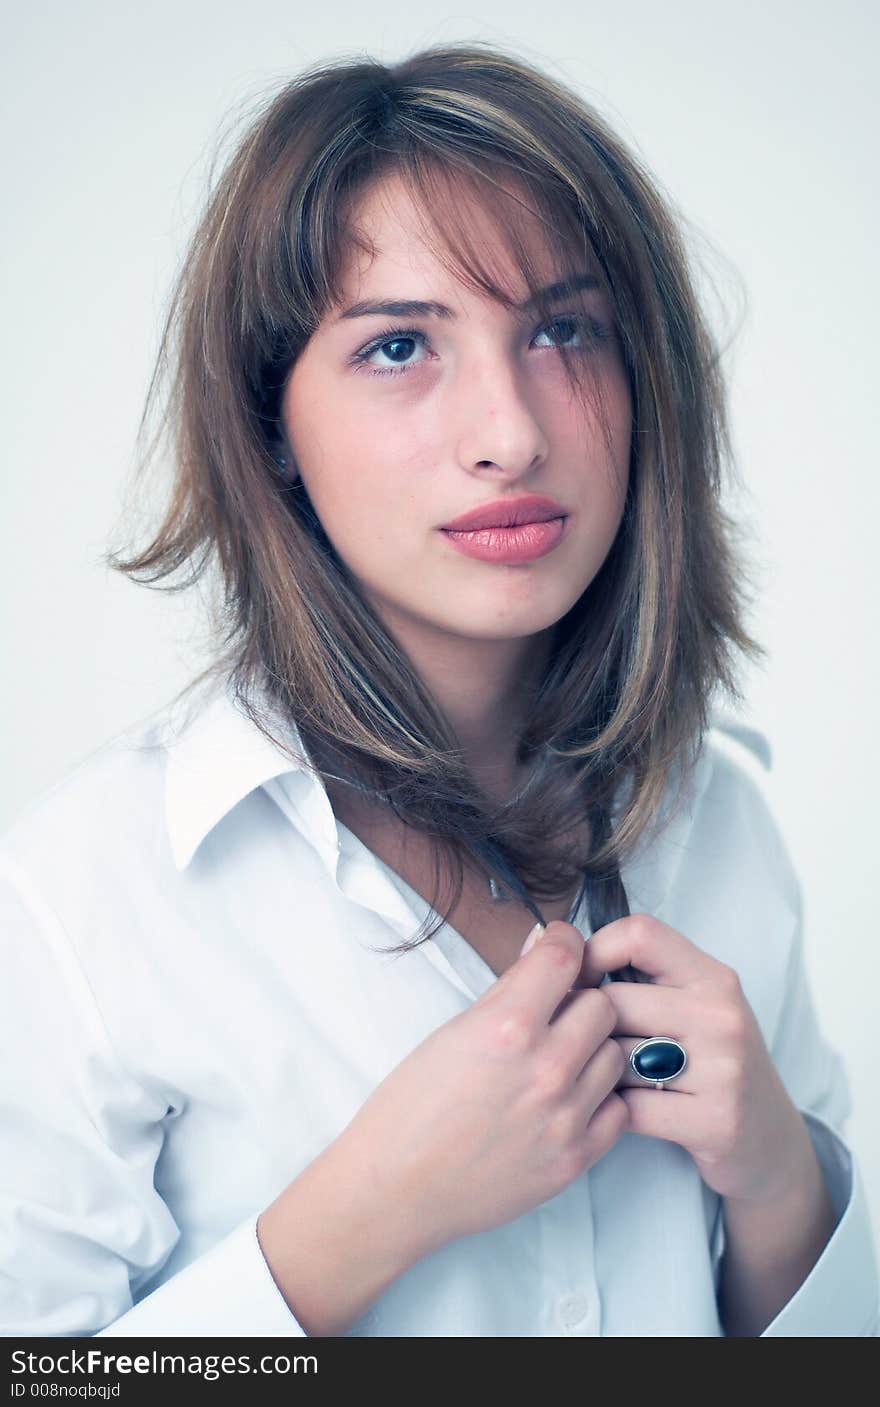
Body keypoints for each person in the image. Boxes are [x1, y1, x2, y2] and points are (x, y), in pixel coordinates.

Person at [1, 41, 877, 1340]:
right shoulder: (83, 896)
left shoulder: (719, 820)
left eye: (564, 331)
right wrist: (359, 1219)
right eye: (401, 344)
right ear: (269, 427)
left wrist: (780, 1180)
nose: (511, 434)